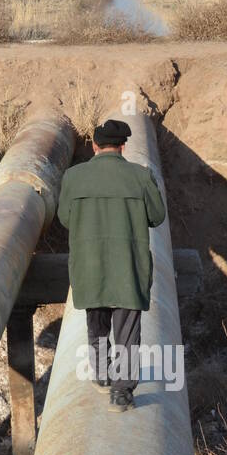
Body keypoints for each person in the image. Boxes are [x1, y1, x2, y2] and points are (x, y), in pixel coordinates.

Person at [57, 118, 166, 411]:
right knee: (127, 330)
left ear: (94, 146)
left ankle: (101, 372)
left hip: (90, 266)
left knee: (97, 321)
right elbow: (157, 217)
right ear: (123, 147)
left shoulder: (73, 177)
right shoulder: (140, 176)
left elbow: (65, 218)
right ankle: (121, 392)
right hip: (128, 266)